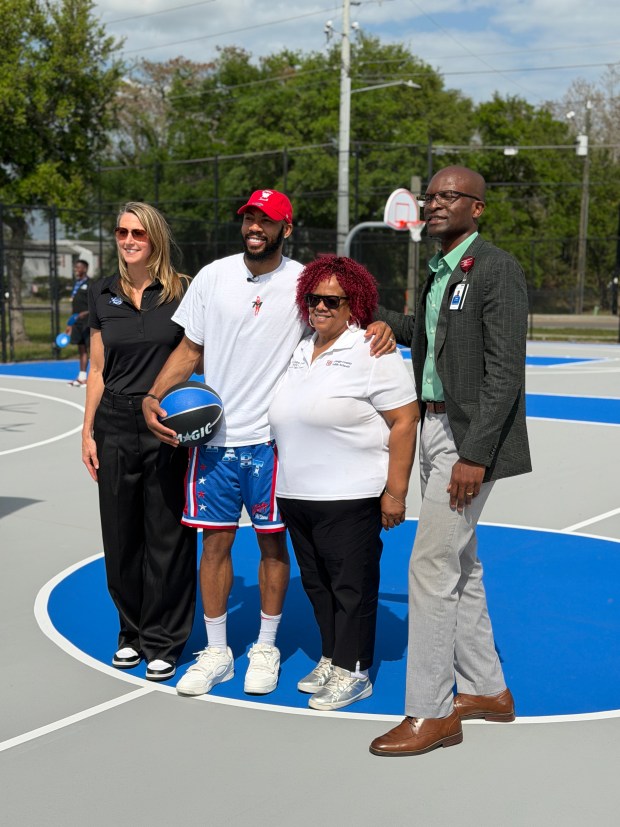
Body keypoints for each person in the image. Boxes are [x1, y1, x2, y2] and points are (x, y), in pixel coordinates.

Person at [142, 189, 394, 698]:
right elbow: (191, 349)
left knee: (271, 544)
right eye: (250, 218)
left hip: (272, 445)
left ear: (287, 228)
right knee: (214, 544)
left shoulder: (303, 284)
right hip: (213, 441)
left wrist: (381, 323)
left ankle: (266, 646)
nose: (256, 226)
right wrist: (154, 394)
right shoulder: (213, 277)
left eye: (267, 220)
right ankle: (216, 651)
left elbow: (342, 315)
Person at [370, 165, 531, 756]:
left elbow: (505, 371)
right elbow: (430, 337)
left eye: (449, 197)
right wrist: (380, 316)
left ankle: (432, 713)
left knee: (430, 566)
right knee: (461, 564)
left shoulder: (497, 268)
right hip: (434, 427)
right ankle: (488, 690)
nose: (435, 204)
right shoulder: (438, 270)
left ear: (477, 208)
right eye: (430, 196)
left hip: (467, 441)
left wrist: (475, 454)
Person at [269, 255, 419, 711]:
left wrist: (395, 492)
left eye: (331, 300)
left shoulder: (373, 350)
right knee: (316, 585)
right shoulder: (300, 348)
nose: (320, 306)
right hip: (297, 493)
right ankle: (333, 656)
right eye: (313, 298)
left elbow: (405, 419)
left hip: (350, 495)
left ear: (354, 305)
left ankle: (355, 672)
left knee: (351, 588)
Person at [81, 202, 196, 682]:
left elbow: (195, 356)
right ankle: (130, 632)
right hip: (114, 423)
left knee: (167, 534)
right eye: (122, 232)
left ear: (155, 240)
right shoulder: (101, 292)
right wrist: (87, 431)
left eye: (138, 234)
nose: (128, 240)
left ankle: (164, 638)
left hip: (165, 426)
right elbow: (98, 370)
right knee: (122, 534)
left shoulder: (183, 293)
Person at [66, 259, 90, 387]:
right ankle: (82, 377)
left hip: (88, 322)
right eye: (76, 267)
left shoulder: (91, 284)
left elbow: (96, 304)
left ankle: (99, 380)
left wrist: (85, 313)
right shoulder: (77, 284)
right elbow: (75, 307)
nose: (76, 270)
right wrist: (70, 324)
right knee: (81, 349)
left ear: (85, 269)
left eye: (79, 268)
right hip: (77, 322)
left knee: (94, 351)